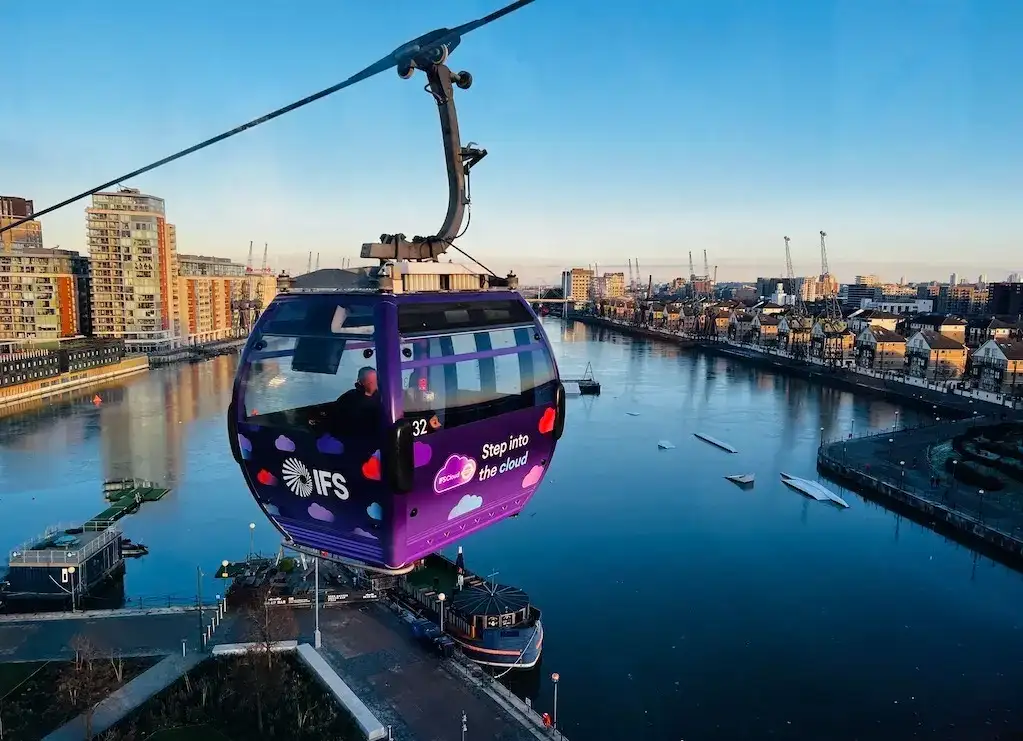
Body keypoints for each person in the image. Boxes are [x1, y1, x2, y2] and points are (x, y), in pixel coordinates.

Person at [333, 366, 382, 436]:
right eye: (370, 381)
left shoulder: (382, 397)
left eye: (375, 380)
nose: (374, 383)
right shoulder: (349, 398)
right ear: (360, 381)